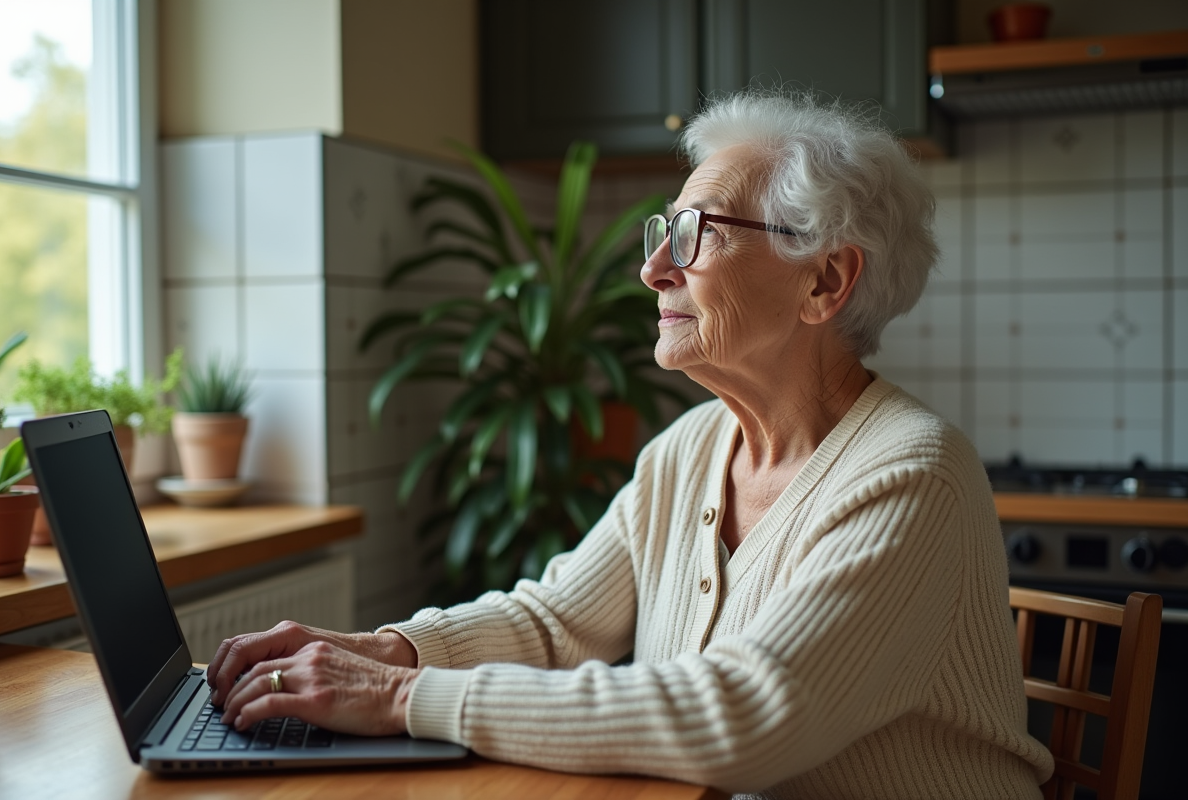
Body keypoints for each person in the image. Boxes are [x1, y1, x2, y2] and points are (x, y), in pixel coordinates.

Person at [208, 90, 1054, 799]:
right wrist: (387, 649)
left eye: (698, 235)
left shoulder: (912, 474)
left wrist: (403, 696)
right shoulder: (693, 447)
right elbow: (553, 622)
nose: (653, 271)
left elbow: (746, 717)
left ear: (825, 281)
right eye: (662, 234)